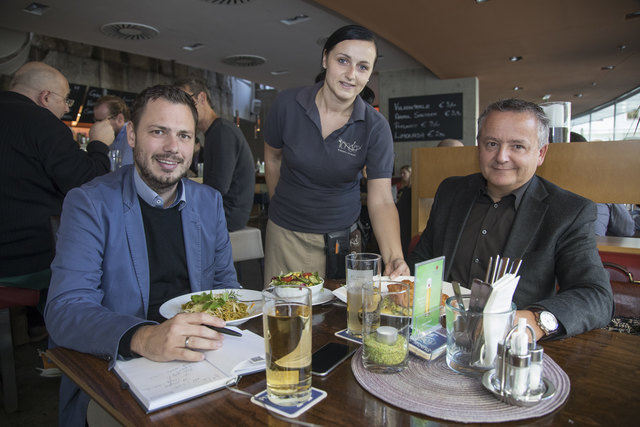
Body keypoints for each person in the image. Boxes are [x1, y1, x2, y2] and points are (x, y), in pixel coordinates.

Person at [44, 85, 240, 426]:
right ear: (132, 135)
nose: (172, 148)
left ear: (195, 144)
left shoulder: (208, 203)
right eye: (158, 131)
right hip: (122, 365)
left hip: (206, 363)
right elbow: (65, 310)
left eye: (183, 135)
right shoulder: (89, 203)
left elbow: (226, 288)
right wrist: (146, 337)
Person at [408, 98, 613, 341]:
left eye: (517, 146)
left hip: (509, 347)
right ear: (478, 147)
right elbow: (424, 259)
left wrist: (535, 321)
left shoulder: (568, 211)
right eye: (492, 144)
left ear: (541, 153)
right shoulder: (451, 191)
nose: (501, 157)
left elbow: (596, 297)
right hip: (434, 335)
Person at [263, 25, 409, 281]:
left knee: (337, 319)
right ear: (325, 59)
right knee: (285, 316)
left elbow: (382, 200)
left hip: (341, 242)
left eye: (363, 67)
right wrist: (281, 205)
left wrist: (394, 256)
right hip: (285, 236)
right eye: (343, 61)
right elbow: (272, 158)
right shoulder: (287, 104)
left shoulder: (375, 127)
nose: (351, 74)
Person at [0, 61, 113, 331]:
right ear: (46, 97)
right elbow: (87, 183)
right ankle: (69, 346)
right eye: (65, 100)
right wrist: (99, 144)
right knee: (106, 267)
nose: (66, 108)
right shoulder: (42, 122)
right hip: (24, 262)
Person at [175, 77, 255, 232]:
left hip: (228, 215)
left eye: (186, 101)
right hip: (224, 211)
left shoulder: (222, 131)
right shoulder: (215, 132)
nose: (182, 109)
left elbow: (217, 187)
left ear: (202, 98)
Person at [93, 94, 133, 167]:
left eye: (100, 121)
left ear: (120, 119)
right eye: (95, 121)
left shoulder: (132, 137)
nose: (96, 126)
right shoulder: (111, 137)